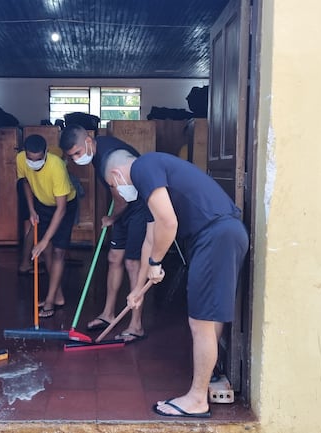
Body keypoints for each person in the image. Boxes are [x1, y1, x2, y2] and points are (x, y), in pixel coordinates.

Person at [102, 149, 249, 418]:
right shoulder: (152, 183)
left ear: (116, 174)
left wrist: (157, 263)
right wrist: (137, 289)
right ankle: (206, 378)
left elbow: (168, 223)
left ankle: (196, 399)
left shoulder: (144, 168)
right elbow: (150, 239)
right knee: (209, 318)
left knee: (201, 321)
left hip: (215, 235)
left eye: (114, 187)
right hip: (219, 235)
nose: (119, 191)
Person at [59, 124, 149, 343]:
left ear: (88, 142)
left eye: (78, 153)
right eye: (71, 156)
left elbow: (121, 199)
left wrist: (112, 218)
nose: (76, 159)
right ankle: (108, 314)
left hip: (140, 207)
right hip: (125, 204)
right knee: (113, 257)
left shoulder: (111, 160)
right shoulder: (98, 153)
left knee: (132, 263)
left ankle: (136, 325)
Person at [16, 134, 78, 318]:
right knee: (47, 251)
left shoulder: (56, 166)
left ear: (46, 153)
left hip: (64, 206)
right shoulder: (20, 159)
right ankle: (57, 296)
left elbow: (61, 209)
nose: (33, 163)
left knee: (57, 251)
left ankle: (50, 302)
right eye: (30, 158)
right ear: (25, 153)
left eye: (38, 159)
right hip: (41, 204)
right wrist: (31, 209)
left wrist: (44, 240)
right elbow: (25, 182)